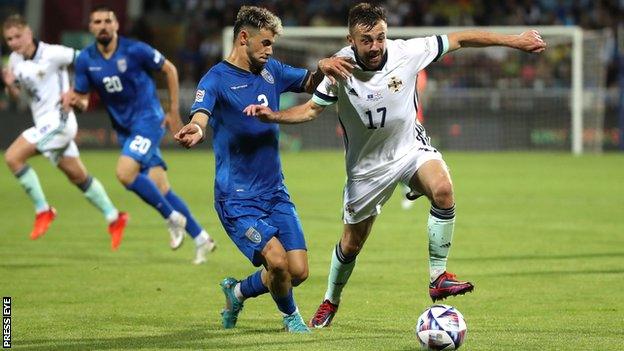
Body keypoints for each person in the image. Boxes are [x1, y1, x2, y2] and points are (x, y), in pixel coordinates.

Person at [243, 2, 546, 328]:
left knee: (443, 189)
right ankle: (331, 299)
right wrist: (272, 116)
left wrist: (515, 40)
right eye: (366, 40)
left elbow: (461, 38)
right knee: (352, 243)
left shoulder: (408, 52)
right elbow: (309, 111)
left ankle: (437, 275)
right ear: (351, 39)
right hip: (367, 170)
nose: (375, 46)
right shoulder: (339, 70)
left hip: (409, 150)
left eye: (380, 37)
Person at [175, 6, 354, 333]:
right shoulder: (215, 79)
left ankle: (238, 291)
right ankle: (292, 319)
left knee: (297, 271)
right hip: (237, 199)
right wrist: (196, 129)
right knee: (277, 262)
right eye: (266, 43)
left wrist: (322, 68)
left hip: (275, 192)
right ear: (244, 37)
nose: (270, 50)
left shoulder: (272, 70)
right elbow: (201, 115)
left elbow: (309, 83)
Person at [65, 5, 215, 264]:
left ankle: (172, 218)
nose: (102, 25)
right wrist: (73, 101)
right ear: (90, 28)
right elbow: (82, 97)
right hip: (124, 129)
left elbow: (170, 69)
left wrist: (173, 111)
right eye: (97, 21)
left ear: (116, 25)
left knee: (125, 173)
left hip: (148, 120)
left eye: (107, 20)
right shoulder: (86, 60)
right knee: (160, 186)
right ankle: (201, 238)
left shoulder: (135, 50)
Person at [2, 14, 128, 248]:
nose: (14, 42)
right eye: (9, 39)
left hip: (60, 120)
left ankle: (43, 211)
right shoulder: (14, 62)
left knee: (12, 156)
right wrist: (9, 85)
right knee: (78, 177)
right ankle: (114, 217)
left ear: (29, 33)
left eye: (18, 36)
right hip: (44, 125)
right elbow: (16, 96)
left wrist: (77, 92)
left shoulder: (53, 53)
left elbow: (90, 63)